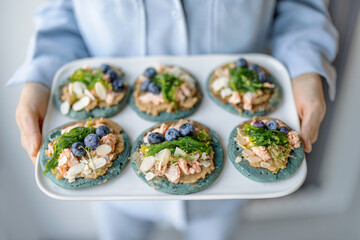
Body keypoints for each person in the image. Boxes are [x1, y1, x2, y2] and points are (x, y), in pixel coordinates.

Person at [11, 1, 338, 239]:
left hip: (226, 195)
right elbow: (61, 19)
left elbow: (300, 8)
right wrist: (41, 79)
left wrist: (305, 67)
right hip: (117, 195)